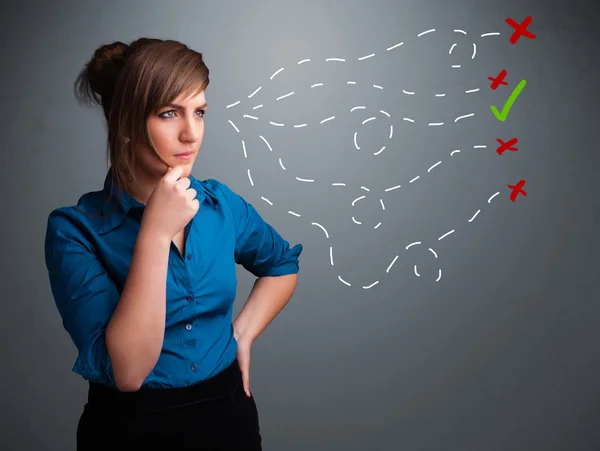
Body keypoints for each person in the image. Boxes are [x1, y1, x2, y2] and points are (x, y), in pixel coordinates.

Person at [44, 38, 303, 450]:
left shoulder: (220, 205)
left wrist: (243, 334)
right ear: (123, 121)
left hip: (228, 418)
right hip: (130, 429)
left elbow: (282, 264)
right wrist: (155, 233)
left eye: (199, 112)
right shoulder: (74, 231)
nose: (191, 133)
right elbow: (128, 373)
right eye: (169, 113)